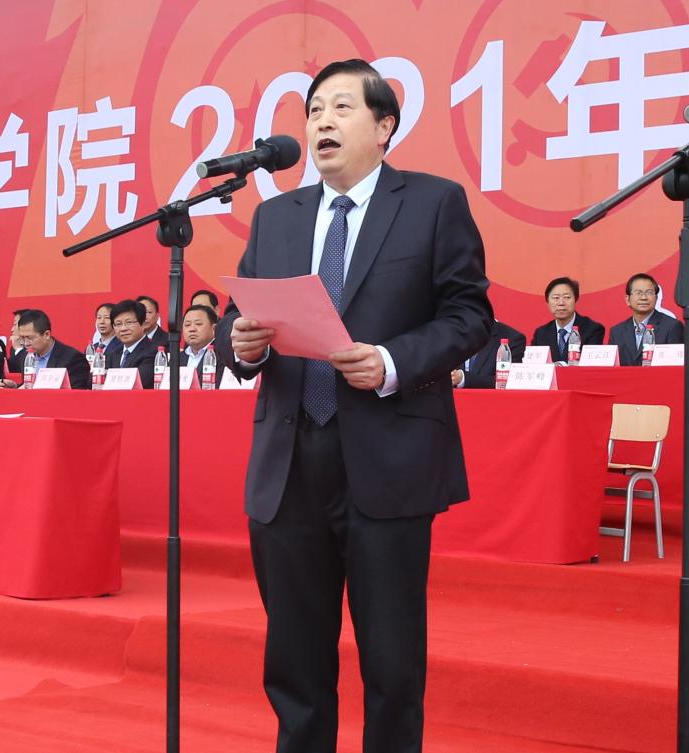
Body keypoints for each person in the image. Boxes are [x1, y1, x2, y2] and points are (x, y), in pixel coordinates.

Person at [214, 59, 492, 753]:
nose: (322, 123)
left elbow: (469, 315)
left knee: (391, 661)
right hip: (289, 458)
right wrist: (241, 342)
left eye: (341, 107)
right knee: (295, 658)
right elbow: (234, 318)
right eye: (313, 111)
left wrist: (392, 361)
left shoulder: (432, 202)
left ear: (384, 125)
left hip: (387, 454)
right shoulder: (276, 217)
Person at [608, 273, 683, 366]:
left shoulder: (672, 327)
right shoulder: (617, 332)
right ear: (628, 299)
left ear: (656, 298)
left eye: (649, 293)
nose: (643, 297)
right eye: (638, 293)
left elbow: (675, 366)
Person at [530, 276, 605, 361]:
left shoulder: (592, 330)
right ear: (548, 302)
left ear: (576, 300)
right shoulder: (541, 333)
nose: (561, 303)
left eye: (567, 297)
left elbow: (590, 363)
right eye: (556, 298)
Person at [451, 320, 525, 388]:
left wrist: (463, 379)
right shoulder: (451, 333)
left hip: (488, 397)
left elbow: (507, 381)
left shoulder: (512, 338)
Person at [105, 299, 158, 388]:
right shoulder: (112, 353)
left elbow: (141, 383)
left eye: (129, 323)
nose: (123, 329)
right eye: (118, 324)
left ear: (143, 324)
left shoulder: (152, 352)